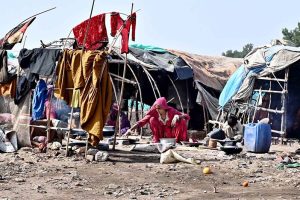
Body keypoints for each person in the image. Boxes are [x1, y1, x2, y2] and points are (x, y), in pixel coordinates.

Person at [124, 97, 190, 143]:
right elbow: (141, 122)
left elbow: (187, 116)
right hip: (160, 135)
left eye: (159, 108)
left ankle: (179, 141)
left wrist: (178, 116)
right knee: (152, 119)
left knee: (182, 121)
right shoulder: (154, 112)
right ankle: (157, 139)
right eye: (156, 108)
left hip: (172, 135)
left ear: (164, 108)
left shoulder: (171, 111)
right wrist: (130, 130)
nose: (157, 110)